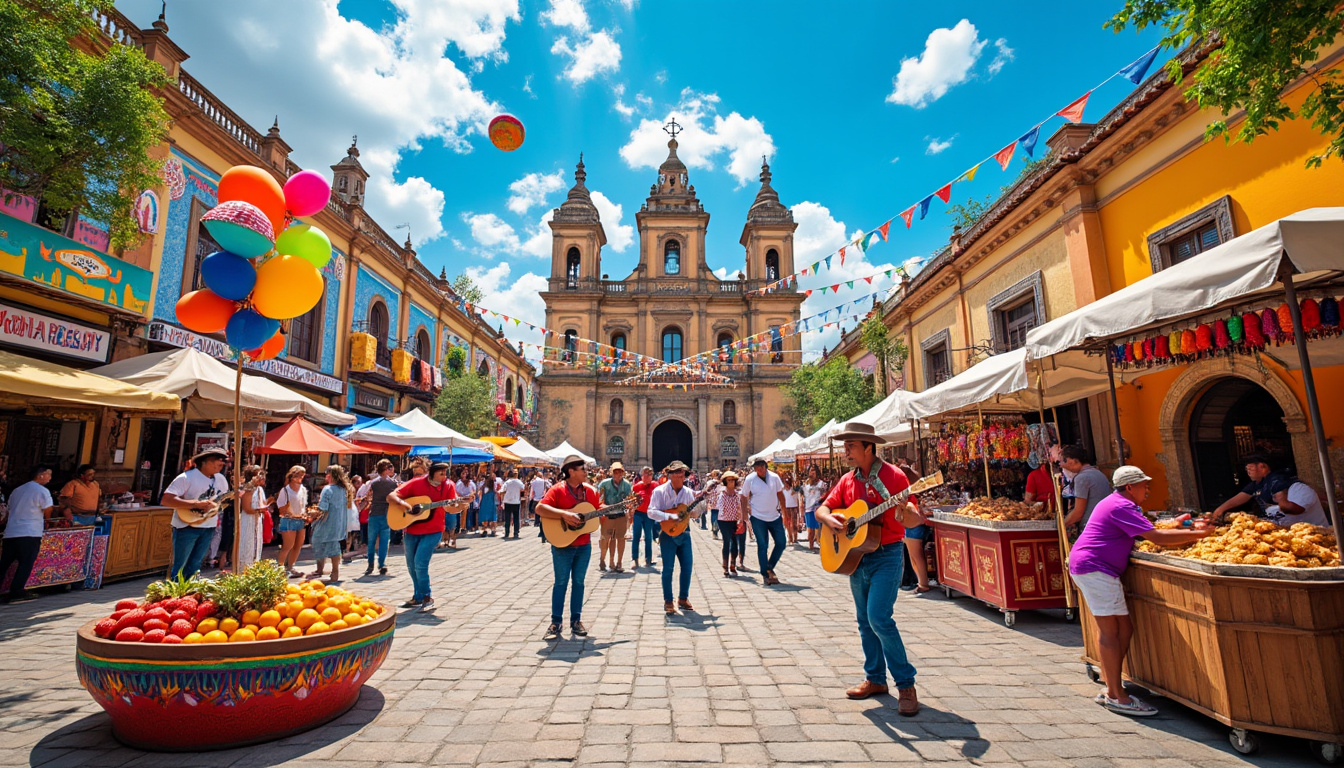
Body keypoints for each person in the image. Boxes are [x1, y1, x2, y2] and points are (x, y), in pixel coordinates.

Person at [1069, 465, 1212, 717]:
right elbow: (1155, 537)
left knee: (1123, 629)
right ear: (1130, 487)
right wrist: (1200, 534)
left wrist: (1176, 524)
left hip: (1094, 568)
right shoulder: (1120, 505)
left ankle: (1113, 683)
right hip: (1095, 569)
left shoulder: (1119, 503)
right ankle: (1116, 695)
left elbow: (1146, 529)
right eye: (1144, 485)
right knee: (1111, 631)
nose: (1147, 490)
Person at [814, 421, 925, 715]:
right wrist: (828, 519)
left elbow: (914, 518)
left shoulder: (893, 476)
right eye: (845, 445)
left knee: (879, 618)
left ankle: (906, 684)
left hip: (887, 554)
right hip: (856, 557)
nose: (845, 451)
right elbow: (822, 508)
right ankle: (875, 679)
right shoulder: (848, 479)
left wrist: (905, 511)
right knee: (864, 621)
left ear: (867, 447)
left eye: (850, 446)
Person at [534, 455, 598, 638]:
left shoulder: (590, 491)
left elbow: (597, 510)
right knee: (561, 583)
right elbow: (539, 508)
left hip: (583, 544)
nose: (586, 472)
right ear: (571, 471)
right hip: (563, 544)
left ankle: (576, 621)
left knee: (579, 583)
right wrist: (564, 514)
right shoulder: (557, 490)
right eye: (583, 469)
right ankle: (556, 623)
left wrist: (616, 509)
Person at [387, 462, 457, 612]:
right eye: (441, 474)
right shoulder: (416, 483)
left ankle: (427, 596)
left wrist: (461, 504)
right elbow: (391, 496)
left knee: (420, 563)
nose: (444, 477)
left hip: (434, 529)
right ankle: (418, 596)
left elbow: (452, 506)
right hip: (411, 529)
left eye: (445, 474)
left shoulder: (448, 485)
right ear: (431, 473)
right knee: (411, 565)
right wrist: (404, 505)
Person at [161, 448, 231, 580]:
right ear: (205, 462)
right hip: (186, 526)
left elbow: (223, 500)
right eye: (218, 460)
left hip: (208, 526)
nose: (222, 464)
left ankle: (191, 593)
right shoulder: (186, 477)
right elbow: (166, 500)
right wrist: (195, 504)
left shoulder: (220, 479)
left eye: (222, 461)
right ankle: (176, 594)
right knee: (180, 565)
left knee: (196, 564)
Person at [1211, 454, 1328, 526]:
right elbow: (1242, 496)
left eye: (1250, 468)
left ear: (1262, 467)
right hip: (1282, 532)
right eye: (1247, 469)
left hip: (1314, 534)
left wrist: (1282, 499)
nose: (1248, 472)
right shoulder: (1258, 484)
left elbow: (1291, 509)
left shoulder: (1299, 488)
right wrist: (1220, 510)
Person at [647, 461, 702, 614]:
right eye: (677, 471)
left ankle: (683, 598)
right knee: (668, 569)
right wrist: (669, 516)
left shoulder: (688, 492)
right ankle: (668, 601)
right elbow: (651, 512)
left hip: (684, 533)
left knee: (687, 567)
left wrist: (701, 503)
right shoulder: (659, 491)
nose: (680, 474)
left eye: (682, 472)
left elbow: (695, 514)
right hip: (667, 534)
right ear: (669, 475)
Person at [1, 465, 54, 603]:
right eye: (48, 474)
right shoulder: (42, 491)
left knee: (4, 564)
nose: (50, 478)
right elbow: (48, 510)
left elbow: (9, 510)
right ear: (40, 475)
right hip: (30, 532)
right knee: (25, 563)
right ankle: (16, 592)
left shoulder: (17, 490)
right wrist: (47, 521)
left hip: (11, 532)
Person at [742, 458, 788, 586]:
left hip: (774, 516)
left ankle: (769, 566)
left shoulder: (774, 477)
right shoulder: (750, 479)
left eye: (762, 466)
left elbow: (780, 494)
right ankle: (765, 573)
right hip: (758, 517)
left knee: (781, 543)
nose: (760, 469)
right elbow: (743, 496)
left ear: (766, 467)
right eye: (757, 467)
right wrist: (745, 513)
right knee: (763, 545)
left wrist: (784, 512)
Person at [308, 465, 353, 583]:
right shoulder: (344, 490)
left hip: (327, 522)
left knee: (318, 542)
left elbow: (323, 507)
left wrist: (313, 513)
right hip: (339, 522)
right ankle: (334, 571)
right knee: (334, 546)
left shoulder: (327, 489)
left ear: (331, 475)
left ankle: (321, 569)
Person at [1061, 445, 1110, 535]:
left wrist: (1062, 526)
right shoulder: (1098, 473)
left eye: (1064, 461)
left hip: (1092, 529)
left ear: (1072, 461)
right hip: (1105, 524)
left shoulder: (1082, 478)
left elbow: (1078, 512)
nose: (1063, 465)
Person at [275, 466, 310, 578]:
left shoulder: (303, 489)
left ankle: (291, 567)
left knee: (298, 546)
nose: (301, 477)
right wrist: (290, 513)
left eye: (302, 475)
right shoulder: (285, 490)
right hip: (288, 520)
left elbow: (304, 505)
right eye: (298, 474)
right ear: (292, 476)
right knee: (288, 546)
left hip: (300, 519)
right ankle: (280, 568)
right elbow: (281, 508)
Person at [596, 462, 632, 572]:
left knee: (621, 539)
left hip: (621, 515)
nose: (617, 474)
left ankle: (619, 563)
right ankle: (603, 560)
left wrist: (629, 507)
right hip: (607, 516)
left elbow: (629, 500)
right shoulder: (604, 484)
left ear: (623, 473)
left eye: (620, 472)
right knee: (606, 539)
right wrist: (607, 507)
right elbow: (600, 501)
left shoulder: (627, 485)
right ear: (611, 472)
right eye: (615, 472)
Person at [364, 460, 398, 574]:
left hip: (374, 513)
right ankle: (382, 564)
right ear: (386, 469)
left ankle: (370, 564)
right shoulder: (393, 484)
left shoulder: (372, 483)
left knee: (372, 541)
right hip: (386, 513)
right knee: (384, 540)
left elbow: (366, 496)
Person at [236, 465, 271, 571]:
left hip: (257, 519)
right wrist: (260, 510)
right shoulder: (248, 489)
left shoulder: (260, 489)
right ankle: (244, 569)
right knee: (247, 544)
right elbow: (247, 508)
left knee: (256, 543)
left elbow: (263, 504)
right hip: (248, 520)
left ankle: (253, 568)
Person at [716, 471, 747, 577]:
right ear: (725, 481)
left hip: (734, 520)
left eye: (733, 480)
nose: (732, 482)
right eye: (729, 480)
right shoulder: (722, 493)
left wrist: (741, 520)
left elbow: (739, 507)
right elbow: (721, 507)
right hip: (723, 521)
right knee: (726, 541)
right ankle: (725, 566)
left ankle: (732, 563)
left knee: (734, 542)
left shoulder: (737, 494)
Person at [630, 466, 658, 569]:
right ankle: (635, 558)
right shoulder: (636, 487)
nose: (648, 476)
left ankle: (648, 558)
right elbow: (631, 500)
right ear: (642, 476)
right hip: (638, 513)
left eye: (650, 474)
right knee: (636, 536)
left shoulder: (655, 486)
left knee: (648, 537)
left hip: (649, 514)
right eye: (646, 474)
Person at [802, 464, 828, 552]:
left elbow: (825, 494)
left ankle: (821, 543)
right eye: (810, 470)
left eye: (813, 470)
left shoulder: (822, 484)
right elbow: (803, 496)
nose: (811, 472)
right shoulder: (805, 484)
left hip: (819, 508)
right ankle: (811, 545)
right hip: (809, 508)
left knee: (820, 528)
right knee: (810, 529)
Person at [501, 468, 526, 538]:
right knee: (516, 518)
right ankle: (516, 533)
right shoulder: (519, 482)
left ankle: (507, 533)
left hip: (508, 501)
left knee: (507, 518)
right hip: (516, 502)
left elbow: (502, 491)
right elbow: (523, 489)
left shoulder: (507, 482)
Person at [478, 469, 499, 536]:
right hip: (491, 504)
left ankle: (484, 530)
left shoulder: (484, 488)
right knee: (492, 517)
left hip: (484, 504)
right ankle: (493, 530)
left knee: (485, 517)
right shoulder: (492, 489)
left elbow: (480, 494)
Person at [782, 472, 801, 545]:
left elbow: (798, 486)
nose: (786, 485)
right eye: (785, 483)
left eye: (787, 483)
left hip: (793, 508)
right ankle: (790, 538)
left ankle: (795, 538)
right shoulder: (783, 491)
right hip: (786, 508)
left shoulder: (794, 490)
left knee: (794, 524)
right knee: (787, 524)